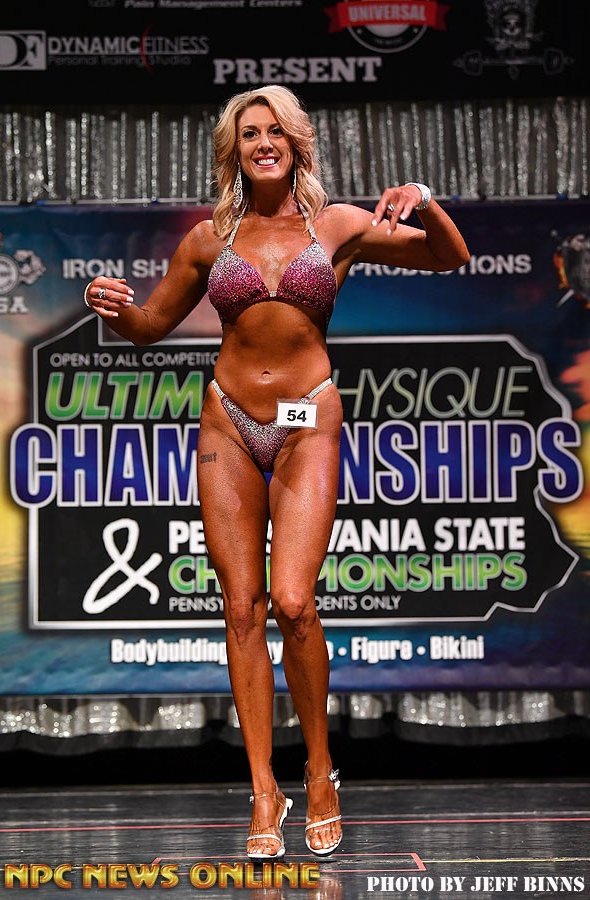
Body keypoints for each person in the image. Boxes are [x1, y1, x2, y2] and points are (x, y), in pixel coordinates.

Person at [82, 84, 470, 860]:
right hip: (228, 420)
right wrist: (111, 307)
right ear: (236, 150)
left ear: (295, 144)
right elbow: (149, 327)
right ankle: (265, 790)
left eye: (275, 132)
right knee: (241, 609)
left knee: (294, 602)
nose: (263, 142)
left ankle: (320, 771)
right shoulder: (208, 239)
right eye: (250, 133)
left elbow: (449, 256)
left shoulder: (339, 226)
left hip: (308, 421)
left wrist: (424, 201)